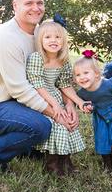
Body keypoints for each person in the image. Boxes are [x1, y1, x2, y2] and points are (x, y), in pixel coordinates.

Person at [0, 0, 79, 173]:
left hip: (16, 102)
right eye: (28, 3)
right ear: (15, 6)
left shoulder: (41, 33)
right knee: (40, 126)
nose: (35, 8)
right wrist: (57, 114)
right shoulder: (7, 38)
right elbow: (20, 89)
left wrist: (68, 105)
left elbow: (57, 75)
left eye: (39, 3)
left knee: (56, 107)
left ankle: (26, 147)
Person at [26, 17, 91, 177]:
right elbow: (37, 85)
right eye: (47, 37)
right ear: (40, 40)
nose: (53, 40)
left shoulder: (63, 60)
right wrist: (54, 104)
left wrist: (79, 103)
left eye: (57, 37)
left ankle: (66, 159)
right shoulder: (37, 58)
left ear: (63, 40)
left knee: (68, 118)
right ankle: (52, 163)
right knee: (57, 124)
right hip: (40, 98)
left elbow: (64, 85)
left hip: (55, 95)